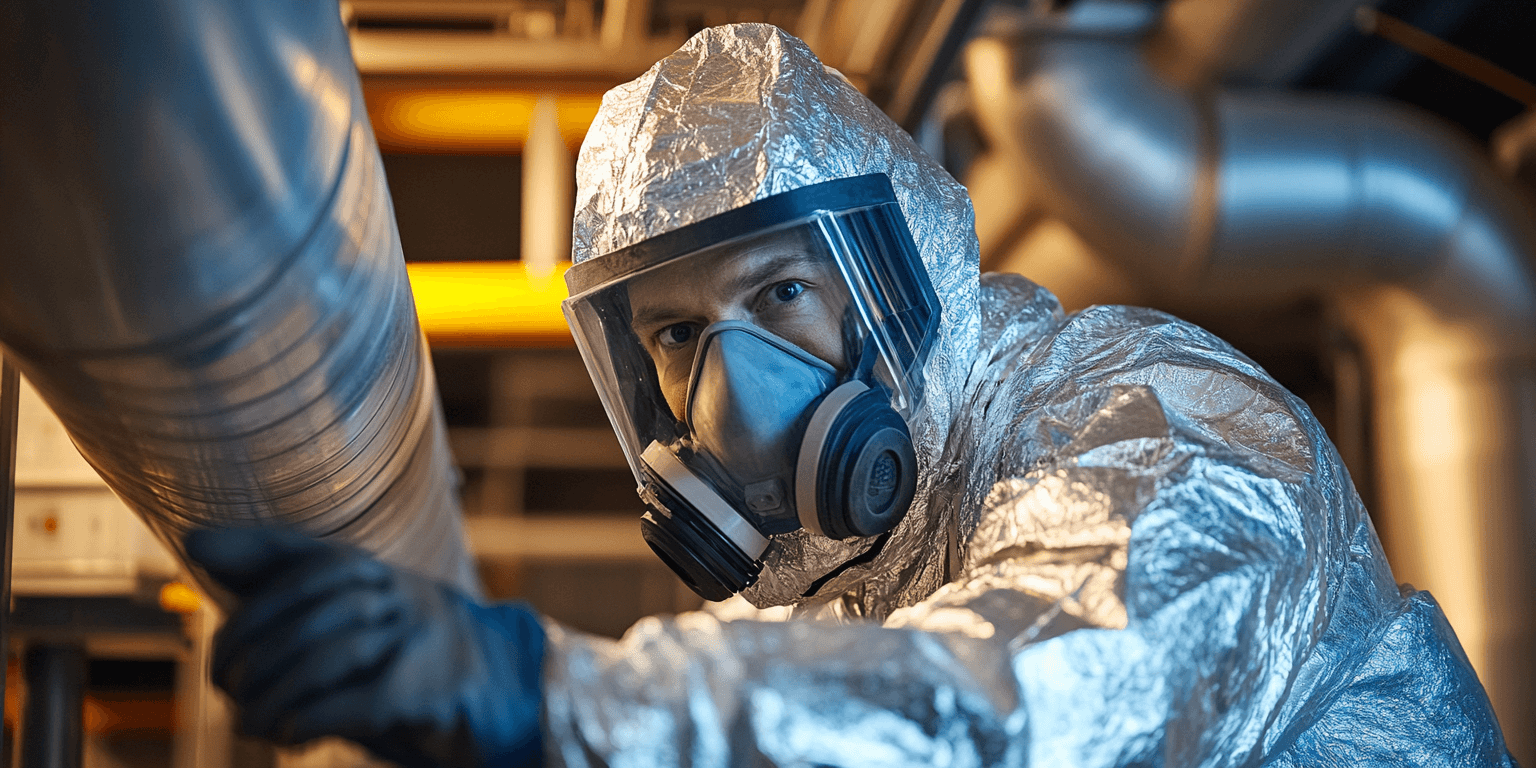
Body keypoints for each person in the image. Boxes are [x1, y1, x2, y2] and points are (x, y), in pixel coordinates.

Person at [187, 23, 1517, 768]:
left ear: (898, 269)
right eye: (673, 339)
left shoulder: (1150, 420)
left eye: (776, 296)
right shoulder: (838, 580)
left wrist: (550, 693)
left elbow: (1029, 707)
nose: (728, 390)